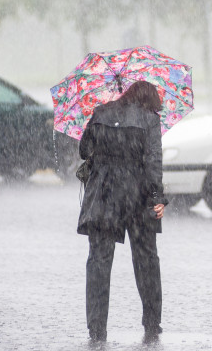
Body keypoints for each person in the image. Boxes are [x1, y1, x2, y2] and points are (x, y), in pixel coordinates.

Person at [77, 80, 168, 342]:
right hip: (137, 196)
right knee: (146, 260)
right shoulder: (150, 120)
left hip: (103, 195)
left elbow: (84, 151)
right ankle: (152, 322)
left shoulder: (100, 112)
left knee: (98, 262)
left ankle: (97, 329)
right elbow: (153, 162)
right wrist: (157, 198)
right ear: (149, 100)